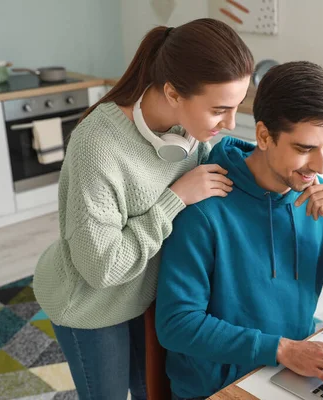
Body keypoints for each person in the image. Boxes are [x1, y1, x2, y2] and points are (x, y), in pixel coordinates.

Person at [32, 18, 254, 400]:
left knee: (153, 392)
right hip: (91, 303)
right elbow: (102, 269)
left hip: (147, 294)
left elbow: (228, 155)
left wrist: (283, 159)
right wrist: (176, 198)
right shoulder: (98, 146)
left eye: (236, 107)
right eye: (220, 109)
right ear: (173, 93)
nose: (230, 122)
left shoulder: (193, 130)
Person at [155, 61, 323, 400]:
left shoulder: (317, 199)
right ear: (263, 136)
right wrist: (282, 350)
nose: (320, 166)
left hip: (293, 374)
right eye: (304, 149)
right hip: (220, 387)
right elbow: (176, 326)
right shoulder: (204, 207)